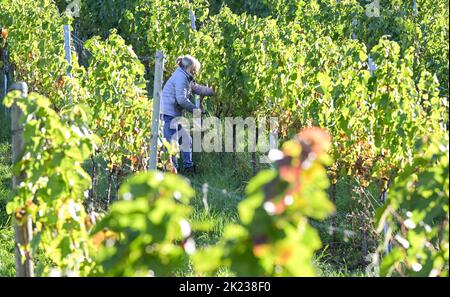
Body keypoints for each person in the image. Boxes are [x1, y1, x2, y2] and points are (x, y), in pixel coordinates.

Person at [161, 55, 215, 174]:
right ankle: (173, 172)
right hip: (168, 114)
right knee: (171, 144)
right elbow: (181, 99)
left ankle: (188, 167)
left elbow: (196, 88)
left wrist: (211, 91)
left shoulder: (185, 77)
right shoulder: (181, 77)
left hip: (174, 114)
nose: (195, 71)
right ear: (189, 67)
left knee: (186, 140)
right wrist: (196, 110)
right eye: (194, 68)